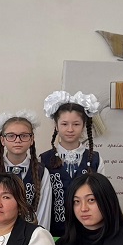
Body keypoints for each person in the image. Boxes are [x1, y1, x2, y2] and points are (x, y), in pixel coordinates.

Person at [41, 91, 103, 237]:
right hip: (54, 234)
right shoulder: (43, 160)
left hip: (88, 234)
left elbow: (102, 198)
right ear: (56, 125)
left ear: (83, 125)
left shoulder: (96, 159)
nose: (70, 129)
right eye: (64, 124)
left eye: (76, 124)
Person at [0, 111, 52, 230]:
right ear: (2, 140)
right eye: (11, 136)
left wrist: (39, 235)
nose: (17, 140)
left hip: (31, 234)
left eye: (24, 135)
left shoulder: (41, 172)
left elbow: (44, 211)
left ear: (31, 139)